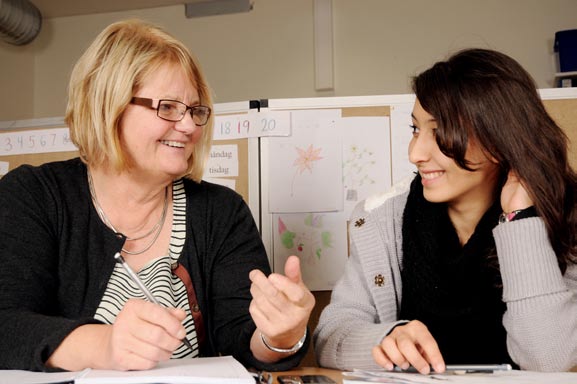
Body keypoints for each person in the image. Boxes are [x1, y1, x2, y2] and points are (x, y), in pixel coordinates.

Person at [0, 19, 314, 372]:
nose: (189, 126)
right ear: (109, 105)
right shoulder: (33, 196)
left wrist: (280, 337)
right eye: (167, 107)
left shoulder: (222, 213)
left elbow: (241, 341)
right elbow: (6, 324)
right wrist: (104, 346)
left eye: (195, 110)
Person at [314, 48, 577, 373]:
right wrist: (386, 339)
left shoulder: (563, 217)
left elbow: (548, 360)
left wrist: (520, 220)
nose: (415, 153)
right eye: (415, 129)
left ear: (499, 138)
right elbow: (330, 337)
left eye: (438, 132)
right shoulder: (382, 220)